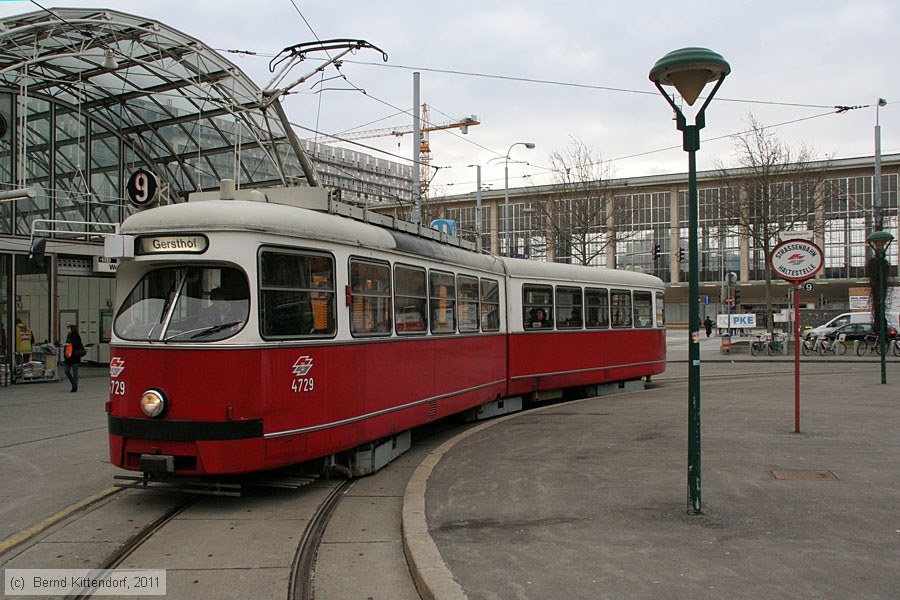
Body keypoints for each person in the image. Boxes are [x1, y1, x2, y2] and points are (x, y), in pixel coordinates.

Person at [63, 324, 84, 393]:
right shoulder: (68, 336)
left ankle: (74, 386)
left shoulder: (77, 337)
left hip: (75, 357)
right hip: (68, 357)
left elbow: (79, 345)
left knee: (75, 372)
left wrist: (70, 345)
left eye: (68, 329)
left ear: (72, 329)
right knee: (66, 371)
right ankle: (73, 383)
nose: (67, 330)